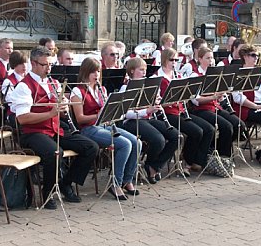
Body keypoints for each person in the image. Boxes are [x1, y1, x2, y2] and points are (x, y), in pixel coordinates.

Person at [9, 46, 98, 209]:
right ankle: (47, 193)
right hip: (32, 133)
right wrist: (51, 113)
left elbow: (58, 112)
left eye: (50, 64)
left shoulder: (53, 82)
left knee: (90, 147)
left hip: (55, 129)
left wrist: (64, 109)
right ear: (33, 63)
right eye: (45, 65)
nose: (49, 68)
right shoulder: (24, 86)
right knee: (55, 153)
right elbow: (22, 119)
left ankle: (65, 183)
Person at [70, 57, 141, 200]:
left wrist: (112, 111)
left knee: (136, 142)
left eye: (98, 71)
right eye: (92, 72)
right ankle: (115, 184)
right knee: (124, 144)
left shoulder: (101, 89)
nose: (96, 75)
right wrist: (99, 114)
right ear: (85, 72)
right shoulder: (78, 91)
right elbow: (80, 119)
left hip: (105, 126)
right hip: (89, 129)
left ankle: (127, 180)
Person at [154, 48, 214, 176]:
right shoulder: (156, 78)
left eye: (176, 60)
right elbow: (158, 103)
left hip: (180, 111)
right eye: (172, 60)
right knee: (196, 131)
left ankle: (195, 161)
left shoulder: (179, 76)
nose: (174, 63)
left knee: (208, 129)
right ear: (164, 59)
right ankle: (188, 162)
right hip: (167, 114)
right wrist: (172, 100)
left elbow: (189, 97)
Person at [119, 57, 178, 183]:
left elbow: (154, 106)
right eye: (141, 70)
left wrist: (157, 103)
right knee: (158, 140)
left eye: (145, 69)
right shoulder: (126, 88)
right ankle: (150, 166)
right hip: (132, 122)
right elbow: (125, 113)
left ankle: (154, 166)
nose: (144, 72)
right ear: (132, 71)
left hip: (148, 119)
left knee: (176, 136)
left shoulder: (149, 86)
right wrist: (146, 111)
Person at [189, 47, 244, 159]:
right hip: (201, 110)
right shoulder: (195, 75)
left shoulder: (215, 75)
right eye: (208, 58)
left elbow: (218, 97)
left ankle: (215, 148)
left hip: (215, 107)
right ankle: (223, 156)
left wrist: (221, 95)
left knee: (239, 125)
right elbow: (196, 100)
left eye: (212, 58)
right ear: (200, 59)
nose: (211, 61)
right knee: (227, 127)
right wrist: (213, 97)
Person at [1, 50, 28, 123]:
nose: (24, 66)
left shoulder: (29, 78)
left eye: (25, 62)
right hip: (14, 113)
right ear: (14, 65)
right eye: (21, 63)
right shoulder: (8, 81)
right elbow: (10, 100)